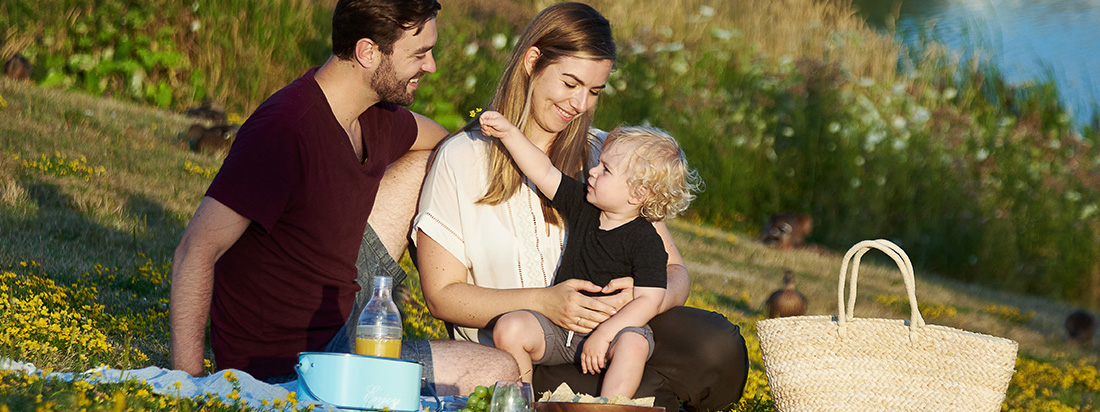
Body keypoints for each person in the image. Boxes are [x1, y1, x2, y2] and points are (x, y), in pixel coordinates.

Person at [168, 0, 518, 395]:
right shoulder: (284, 130)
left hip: (345, 318)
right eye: (419, 54)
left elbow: (447, 146)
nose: (431, 66)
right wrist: (189, 385)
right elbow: (195, 250)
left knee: (431, 163)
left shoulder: (374, 115)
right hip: (290, 371)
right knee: (501, 372)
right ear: (368, 52)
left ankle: (477, 299)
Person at [414, 2, 749, 410]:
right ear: (532, 62)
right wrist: (544, 301)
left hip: (613, 338)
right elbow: (443, 297)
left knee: (717, 344)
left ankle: (626, 393)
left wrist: (638, 301)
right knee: (641, 385)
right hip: (529, 346)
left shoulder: (608, 154)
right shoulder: (463, 157)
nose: (580, 104)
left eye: (594, 91)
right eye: (570, 83)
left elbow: (675, 272)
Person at [481, 111, 702, 399]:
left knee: (634, 344)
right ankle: (522, 400)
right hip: (561, 328)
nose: (593, 171)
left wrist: (605, 334)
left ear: (637, 194)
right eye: (598, 164)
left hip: (615, 333)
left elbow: (649, 300)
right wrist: (509, 133)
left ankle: (608, 405)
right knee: (509, 328)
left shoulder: (647, 240)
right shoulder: (583, 204)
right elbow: (543, 172)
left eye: (606, 169)